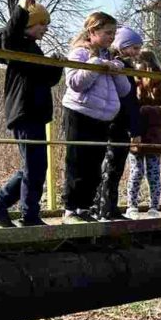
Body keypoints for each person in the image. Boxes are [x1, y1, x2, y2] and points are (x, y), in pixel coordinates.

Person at [0, 0, 60, 228]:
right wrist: (24, 5)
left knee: (35, 165)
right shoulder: (17, 44)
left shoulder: (34, 49)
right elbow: (11, 33)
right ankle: (28, 215)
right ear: (28, 23)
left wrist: (56, 65)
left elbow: (47, 80)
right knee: (34, 166)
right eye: (41, 23)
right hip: (25, 112)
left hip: (35, 112)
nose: (45, 28)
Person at [62, 13, 132, 223]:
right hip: (79, 112)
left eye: (113, 33)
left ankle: (85, 207)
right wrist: (95, 65)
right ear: (92, 32)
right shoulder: (79, 53)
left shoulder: (110, 57)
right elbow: (75, 83)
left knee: (94, 165)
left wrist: (117, 71)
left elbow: (125, 90)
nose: (111, 37)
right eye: (107, 32)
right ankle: (70, 209)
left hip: (103, 117)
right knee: (77, 162)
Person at [95, 27, 144, 221]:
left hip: (117, 121)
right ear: (122, 46)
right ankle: (105, 207)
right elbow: (130, 101)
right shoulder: (119, 67)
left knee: (114, 166)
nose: (137, 53)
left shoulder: (122, 66)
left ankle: (108, 205)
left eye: (138, 49)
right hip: (116, 120)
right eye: (134, 48)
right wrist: (135, 129)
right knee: (111, 166)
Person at [126, 50, 161, 218]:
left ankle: (154, 206)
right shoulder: (132, 82)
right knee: (136, 171)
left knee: (154, 172)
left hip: (154, 133)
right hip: (136, 132)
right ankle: (131, 205)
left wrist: (146, 110)